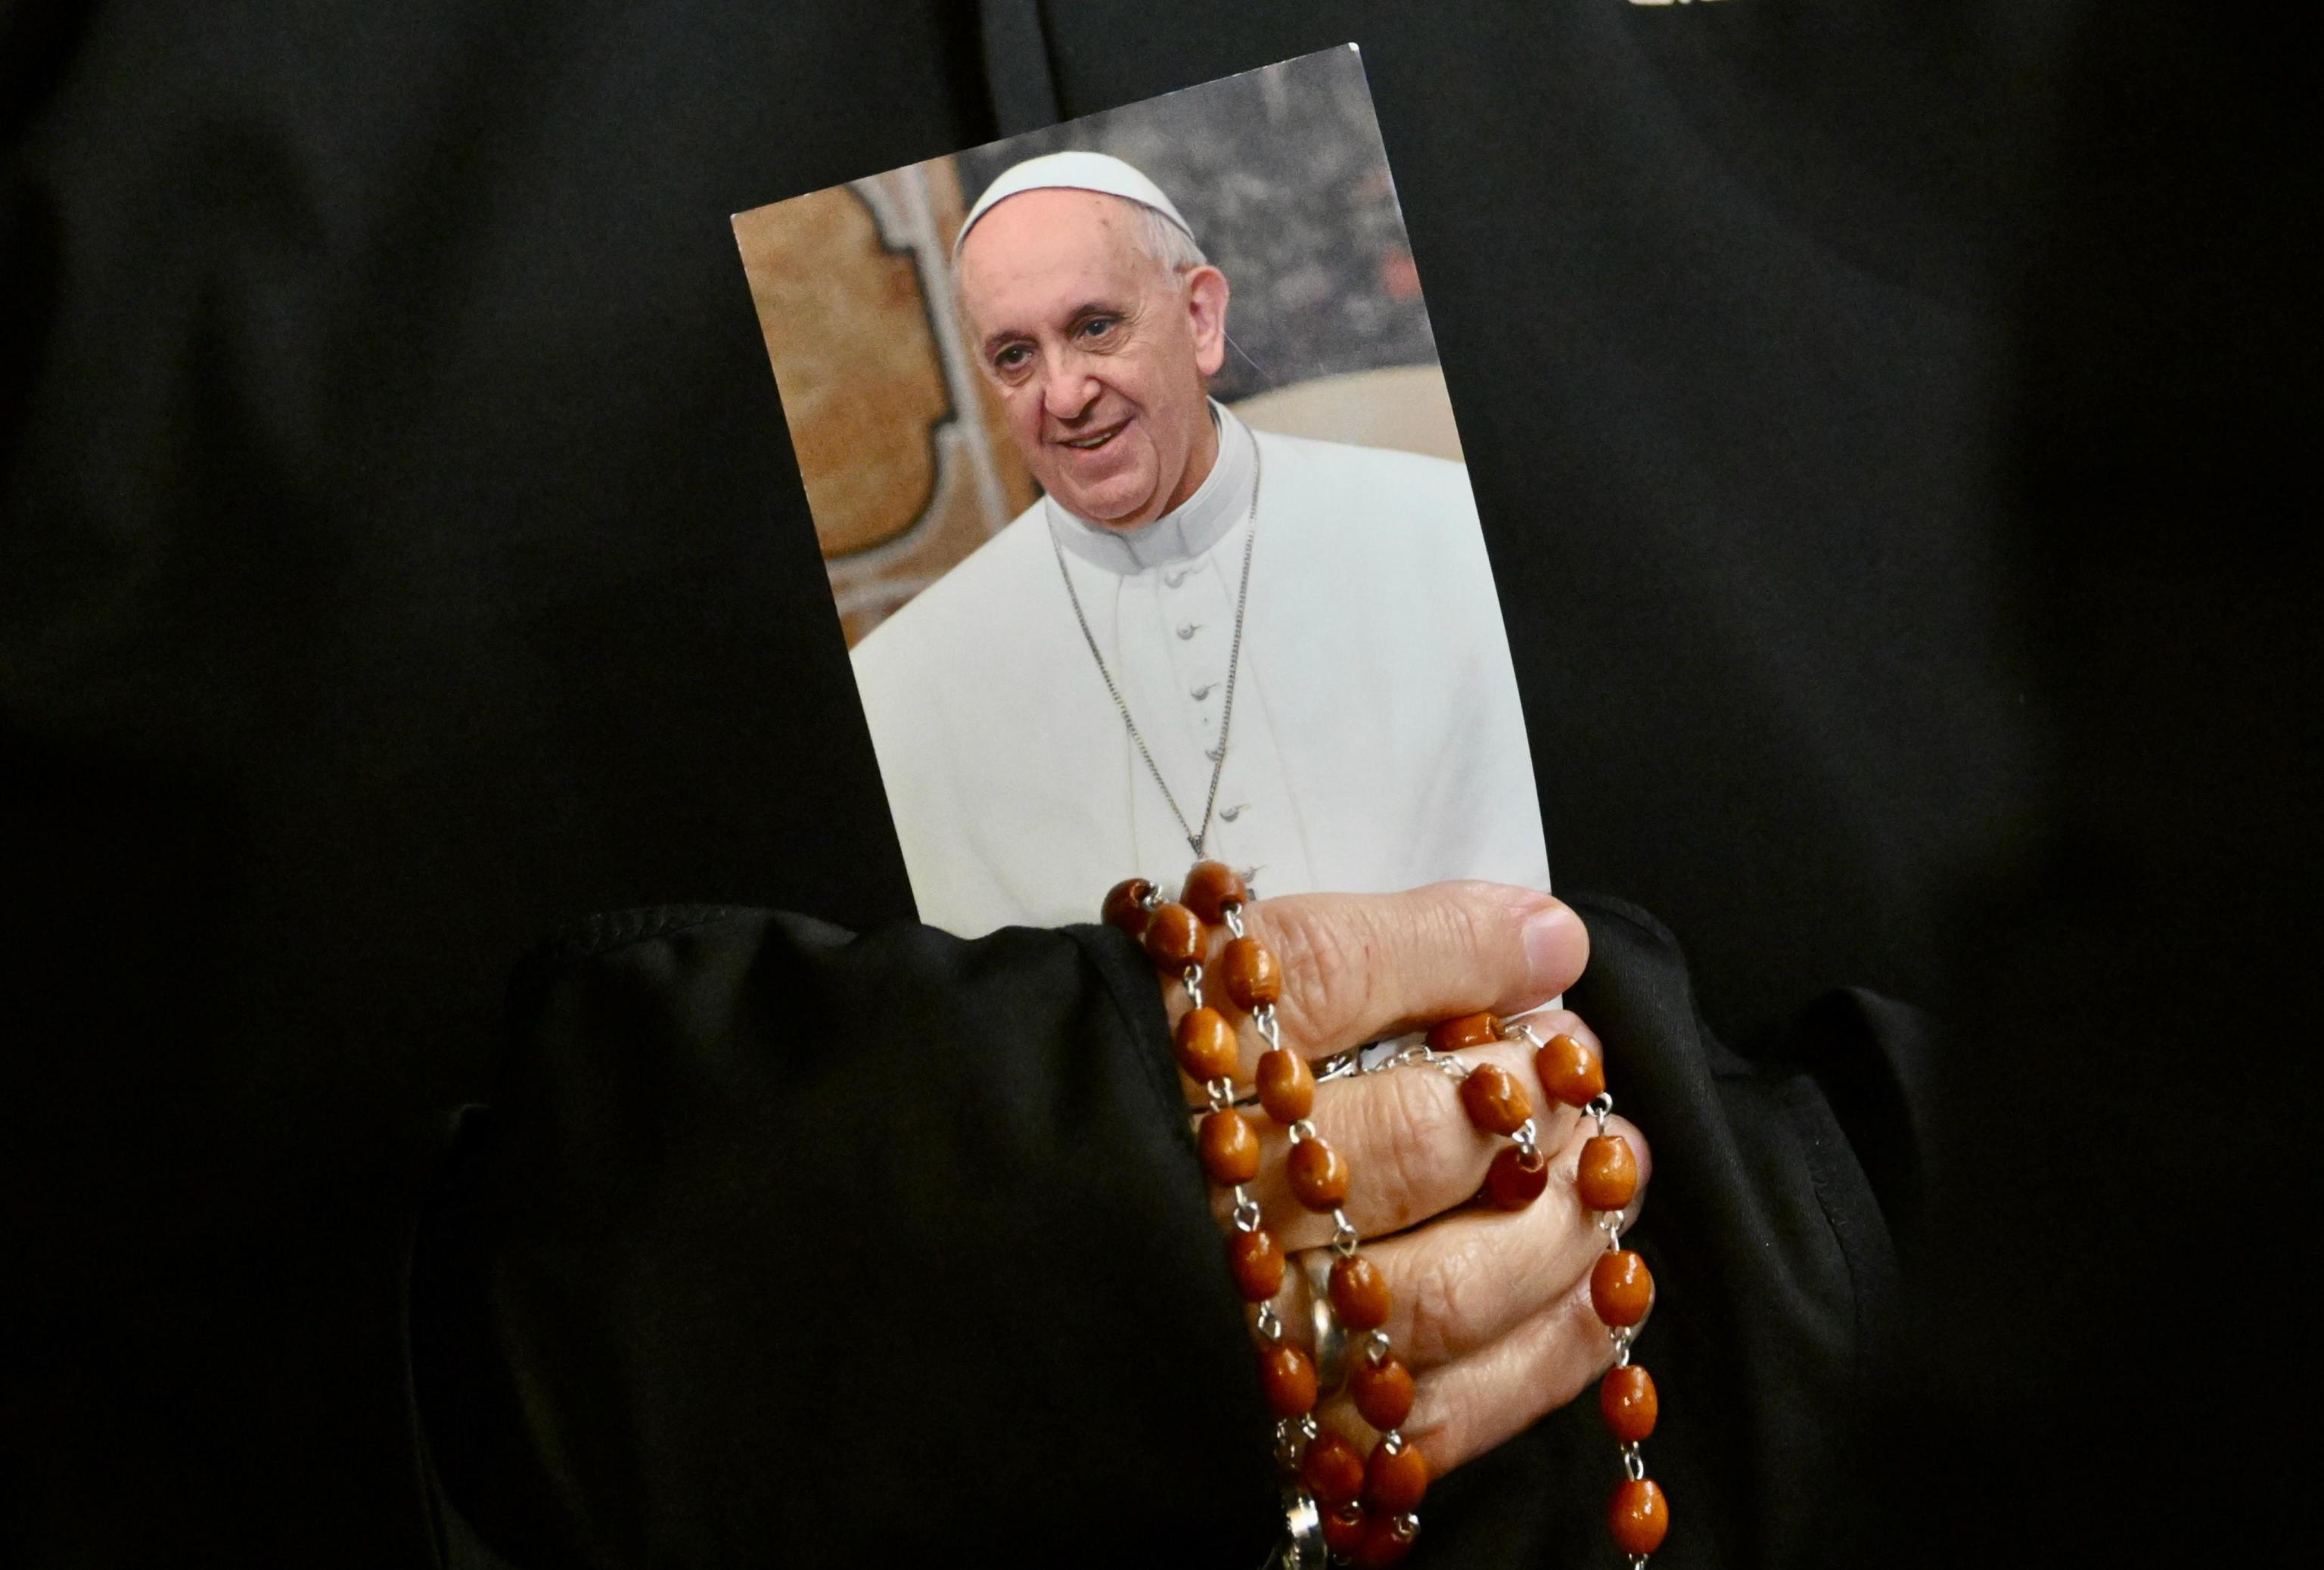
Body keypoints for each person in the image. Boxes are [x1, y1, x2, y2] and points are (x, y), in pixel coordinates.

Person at [848, 152, 1550, 937]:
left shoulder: (1451, 532)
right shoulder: (896, 695)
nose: (1065, 394)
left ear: (1200, 319)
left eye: (1096, 327)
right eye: (1016, 355)